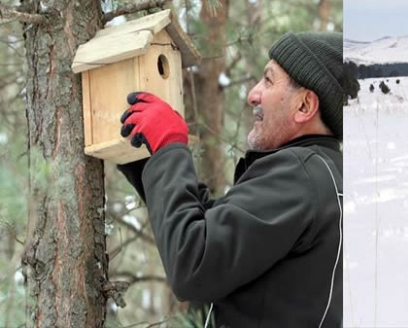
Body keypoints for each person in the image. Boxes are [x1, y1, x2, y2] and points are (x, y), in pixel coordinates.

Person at [116, 32, 343, 327]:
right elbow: (217, 240)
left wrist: (169, 145)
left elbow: (194, 262)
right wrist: (149, 159)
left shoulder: (299, 176)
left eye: (269, 80)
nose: (253, 94)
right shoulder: (324, 176)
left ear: (304, 106)